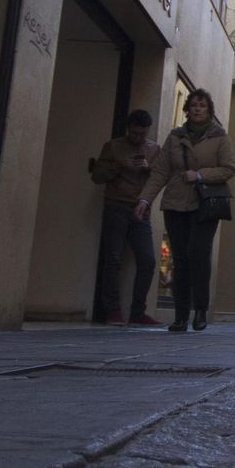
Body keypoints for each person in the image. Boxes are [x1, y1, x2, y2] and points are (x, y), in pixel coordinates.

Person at [135, 89, 234, 333]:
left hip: (205, 204)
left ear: (209, 110)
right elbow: (160, 171)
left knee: (198, 254)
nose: (197, 109)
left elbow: (228, 169)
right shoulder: (175, 137)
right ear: (187, 109)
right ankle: (180, 315)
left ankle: (200, 309)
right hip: (176, 203)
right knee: (180, 258)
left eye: (202, 105)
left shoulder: (220, 137)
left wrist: (200, 175)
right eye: (193, 105)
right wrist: (145, 200)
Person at [90, 109, 161, 326]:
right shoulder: (113, 147)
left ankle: (138, 311)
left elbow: (159, 178)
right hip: (116, 207)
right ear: (128, 129)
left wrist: (148, 169)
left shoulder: (154, 149)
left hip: (141, 210)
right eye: (134, 133)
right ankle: (112, 310)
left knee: (148, 260)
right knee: (113, 259)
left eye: (142, 134)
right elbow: (97, 176)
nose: (138, 138)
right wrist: (120, 166)